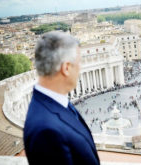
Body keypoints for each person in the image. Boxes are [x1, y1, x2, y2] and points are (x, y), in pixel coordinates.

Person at [24, 31, 100, 165]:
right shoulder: (46, 131)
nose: (80, 68)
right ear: (66, 68)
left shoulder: (53, 104)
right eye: (79, 63)